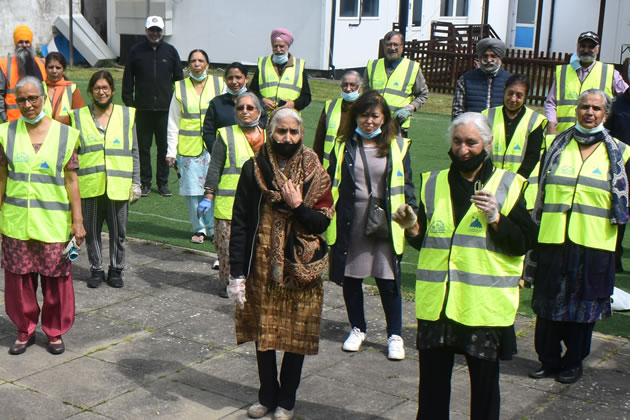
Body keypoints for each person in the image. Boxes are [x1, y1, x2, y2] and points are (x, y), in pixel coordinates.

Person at [412, 112, 536, 419]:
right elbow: (428, 242)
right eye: (457, 142)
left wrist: (496, 218)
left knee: (483, 389)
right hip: (438, 304)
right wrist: (412, 228)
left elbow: (523, 242)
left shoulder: (510, 185)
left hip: (482, 307)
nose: (463, 150)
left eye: (471, 142)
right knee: (431, 388)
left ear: (488, 144)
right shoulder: (434, 182)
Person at [228, 108, 333, 420]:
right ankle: (266, 395)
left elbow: (320, 223)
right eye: (281, 132)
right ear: (270, 133)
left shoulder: (315, 169)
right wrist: (237, 272)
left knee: (295, 335)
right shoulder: (254, 168)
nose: (288, 138)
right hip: (261, 265)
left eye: (294, 132)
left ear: (301, 133)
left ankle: (286, 400)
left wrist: (297, 205)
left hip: (301, 266)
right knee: (264, 334)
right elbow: (241, 223)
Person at [529, 89, 630, 385]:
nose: (589, 112)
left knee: (584, 308)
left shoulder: (620, 151)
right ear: (576, 110)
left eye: (596, 108)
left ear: (605, 114)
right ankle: (547, 360)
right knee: (548, 303)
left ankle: (573, 362)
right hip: (554, 237)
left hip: (594, 243)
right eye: (584, 107)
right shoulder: (557, 144)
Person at [326, 90, 417, 361]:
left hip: (387, 224)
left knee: (388, 280)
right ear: (356, 116)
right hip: (352, 221)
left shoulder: (399, 145)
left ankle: (395, 335)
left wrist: (411, 214)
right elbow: (330, 180)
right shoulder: (343, 145)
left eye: (375, 115)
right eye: (364, 115)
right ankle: (357, 329)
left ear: (384, 118)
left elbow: (408, 183)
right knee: (352, 278)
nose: (369, 121)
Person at [0, 76, 85, 355]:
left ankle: (54, 331)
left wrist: (78, 221)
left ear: (43, 98)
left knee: (56, 281)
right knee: (19, 282)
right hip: (16, 223)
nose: (27, 105)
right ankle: (24, 330)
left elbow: (72, 180)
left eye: (32, 98)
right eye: (21, 100)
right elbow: (2, 177)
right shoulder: (6, 133)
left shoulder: (65, 134)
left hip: (53, 224)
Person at [70, 70, 140, 289]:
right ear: (90, 91)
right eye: (97, 88)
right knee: (91, 231)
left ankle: (116, 269)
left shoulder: (126, 115)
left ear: (113, 91)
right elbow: (72, 153)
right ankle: (97, 269)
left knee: (119, 231)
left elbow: (135, 151)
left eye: (105, 88)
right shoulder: (78, 116)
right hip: (90, 185)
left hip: (118, 185)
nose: (101, 92)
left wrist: (136, 182)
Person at [198, 92, 265, 297]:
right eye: (240, 108)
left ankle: (252, 283)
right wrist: (208, 194)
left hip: (260, 204)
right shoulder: (225, 134)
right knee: (227, 249)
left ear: (259, 111)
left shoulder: (269, 135)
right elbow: (215, 167)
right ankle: (229, 284)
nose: (244, 111)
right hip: (229, 204)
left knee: (257, 247)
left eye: (249, 108)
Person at [166, 49, 224, 245]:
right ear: (188, 64)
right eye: (193, 61)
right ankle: (199, 229)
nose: (197, 64)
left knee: (214, 189)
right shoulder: (180, 88)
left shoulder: (219, 84)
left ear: (207, 64)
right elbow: (173, 121)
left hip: (214, 148)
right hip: (188, 149)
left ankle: (215, 228)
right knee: (192, 192)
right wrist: (170, 151)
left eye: (201, 60)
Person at [122, 15, 184, 197]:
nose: (155, 33)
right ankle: (145, 182)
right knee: (143, 148)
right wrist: (130, 104)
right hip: (142, 110)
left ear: (162, 31)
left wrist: (178, 105)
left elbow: (179, 81)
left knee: (165, 149)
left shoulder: (171, 52)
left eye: (158, 30)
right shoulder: (135, 51)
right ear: (146, 30)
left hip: (166, 111)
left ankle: (163, 183)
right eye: (152, 29)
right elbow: (127, 81)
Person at [482, 73, 547, 208]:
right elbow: (481, 151)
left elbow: (532, 156)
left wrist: (514, 183)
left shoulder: (535, 121)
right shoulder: (487, 115)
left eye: (519, 95)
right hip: (490, 184)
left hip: (522, 187)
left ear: (526, 96)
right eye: (510, 93)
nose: (513, 99)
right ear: (504, 90)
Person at [545, 31, 628, 135]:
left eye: (591, 47)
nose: (586, 50)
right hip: (563, 135)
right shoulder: (562, 72)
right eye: (583, 46)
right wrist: (551, 125)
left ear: (597, 49)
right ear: (577, 46)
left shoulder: (610, 73)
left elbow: (626, 99)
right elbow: (551, 103)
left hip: (597, 137)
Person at [363, 31, 428, 137]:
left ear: (402, 47)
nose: (392, 48)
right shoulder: (372, 66)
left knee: (397, 154)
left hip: (398, 126)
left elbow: (423, 94)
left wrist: (410, 108)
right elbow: (364, 94)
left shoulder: (412, 68)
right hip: (373, 125)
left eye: (395, 44)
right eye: (389, 44)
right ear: (384, 46)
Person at [202, 62, 268, 158]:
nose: (234, 82)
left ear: (246, 79)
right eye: (230, 78)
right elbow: (208, 132)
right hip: (226, 158)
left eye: (238, 77)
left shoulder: (257, 101)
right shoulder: (216, 103)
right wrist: (216, 153)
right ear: (225, 80)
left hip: (253, 156)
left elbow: (264, 127)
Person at [604, 58, 630, 272]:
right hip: (622, 168)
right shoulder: (618, 104)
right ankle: (615, 257)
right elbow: (609, 134)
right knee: (620, 212)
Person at [249, 28, 311, 114]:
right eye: (275, 46)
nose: (278, 49)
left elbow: (306, 97)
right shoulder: (262, 64)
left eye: (281, 46)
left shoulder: (299, 66)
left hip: (290, 118)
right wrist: (262, 101)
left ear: (287, 46)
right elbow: (252, 91)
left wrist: (293, 104)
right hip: (265, 119)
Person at [312, 70, 362, 168]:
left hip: (353, 167)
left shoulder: (365, 108)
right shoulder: (330, 106)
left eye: (353, 85)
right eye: (345, 85)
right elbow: (319, 139)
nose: (348, 89)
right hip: (330, 166)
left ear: (360, 87)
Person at [452, 38, 511, 120]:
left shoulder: (510, 81)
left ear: (500, 58)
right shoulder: (466, 79)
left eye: (493, 56)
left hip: (500, 131)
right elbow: (457, 112)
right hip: (472, 130)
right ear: (479, 57)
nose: (489, 60)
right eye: (485, 56)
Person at [0, 25, 47, 122]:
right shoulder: (4, 65)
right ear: (15, 44)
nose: (24, 45)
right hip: (14, 120)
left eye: (27, 42)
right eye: (20, 42)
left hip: (41, 118)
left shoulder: (43, 63)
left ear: (31, 43)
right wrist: (4, 117)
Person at [43, 52, 85, 125]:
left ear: (63, 70)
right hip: (43, 133)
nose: (54, 71)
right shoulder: (39, 88)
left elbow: (81, 116)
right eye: (50, 67)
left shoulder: (72, 89)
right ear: (45, 69)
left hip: (66, 134)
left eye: (58, 68)